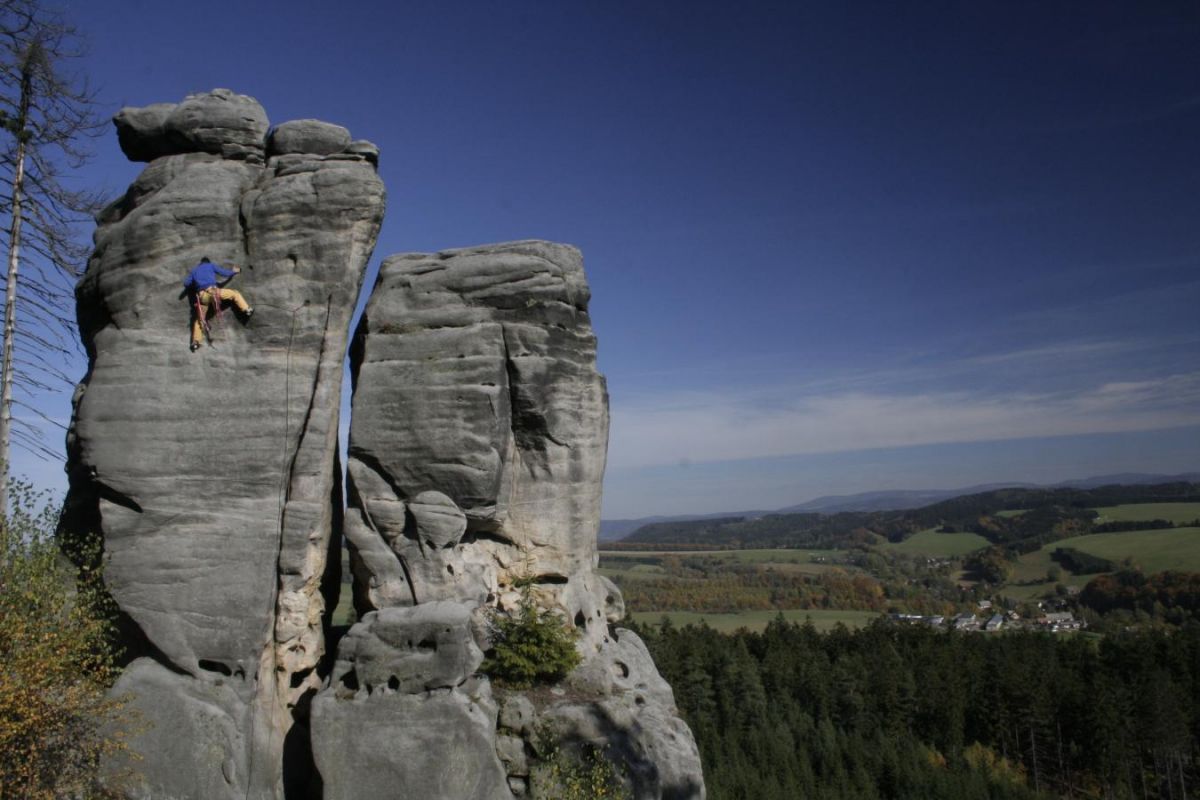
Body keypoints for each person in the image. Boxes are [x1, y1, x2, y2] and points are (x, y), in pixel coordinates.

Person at [183, 256, 253, 351]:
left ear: (200, 263)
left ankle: (196, 342)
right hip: (214, 292)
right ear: (208, 262)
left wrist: (196, 283)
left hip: (203, 297)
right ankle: (246, 309)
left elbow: (186, 283)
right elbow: (224, 272)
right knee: (234, 294)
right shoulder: (210, 265)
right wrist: (234, 271)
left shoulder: (194, 271)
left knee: (199, 320)